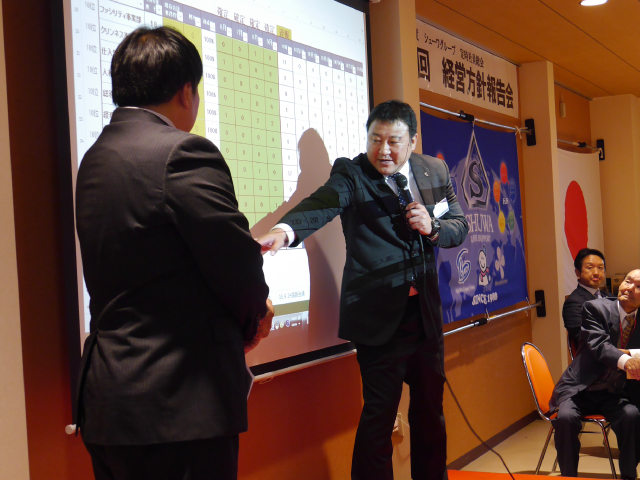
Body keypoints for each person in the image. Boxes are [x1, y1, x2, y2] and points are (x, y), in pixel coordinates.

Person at [75, 26, 273, 480]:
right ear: (186, 91)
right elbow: (238, 265)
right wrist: (254, 319)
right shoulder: (182, 153)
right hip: (175, 410)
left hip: (109, 404)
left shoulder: (96, 156)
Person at [257, 100, 469, 480]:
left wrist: (433, 228)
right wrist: (284, 232)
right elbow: (322, 204)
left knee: (430, 415)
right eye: (375, 139)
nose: (383, 150)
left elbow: (459, 225)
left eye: (393, 141)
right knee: (378, 421)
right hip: (378, 321)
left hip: (424, 317)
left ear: (412, 141)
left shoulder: (433, 171)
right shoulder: (352, 173)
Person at [550, 270, 640, 479]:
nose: (629, 288)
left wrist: (632, 355)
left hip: (614, 392)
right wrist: (627, 360)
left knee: (632, 416)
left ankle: (629, 476)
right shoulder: (595, 308)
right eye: (627, 281)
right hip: (580, 388)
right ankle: (569, 476)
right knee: (566, 418)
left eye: (638, 286)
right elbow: (599, 345)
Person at [563, 248, 611, 348]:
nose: (596, 272)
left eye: (600, 268)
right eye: (590, 268)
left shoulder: (610, 297)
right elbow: (586, 339)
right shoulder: (573, 303)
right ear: (578, 273)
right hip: (597, 355)